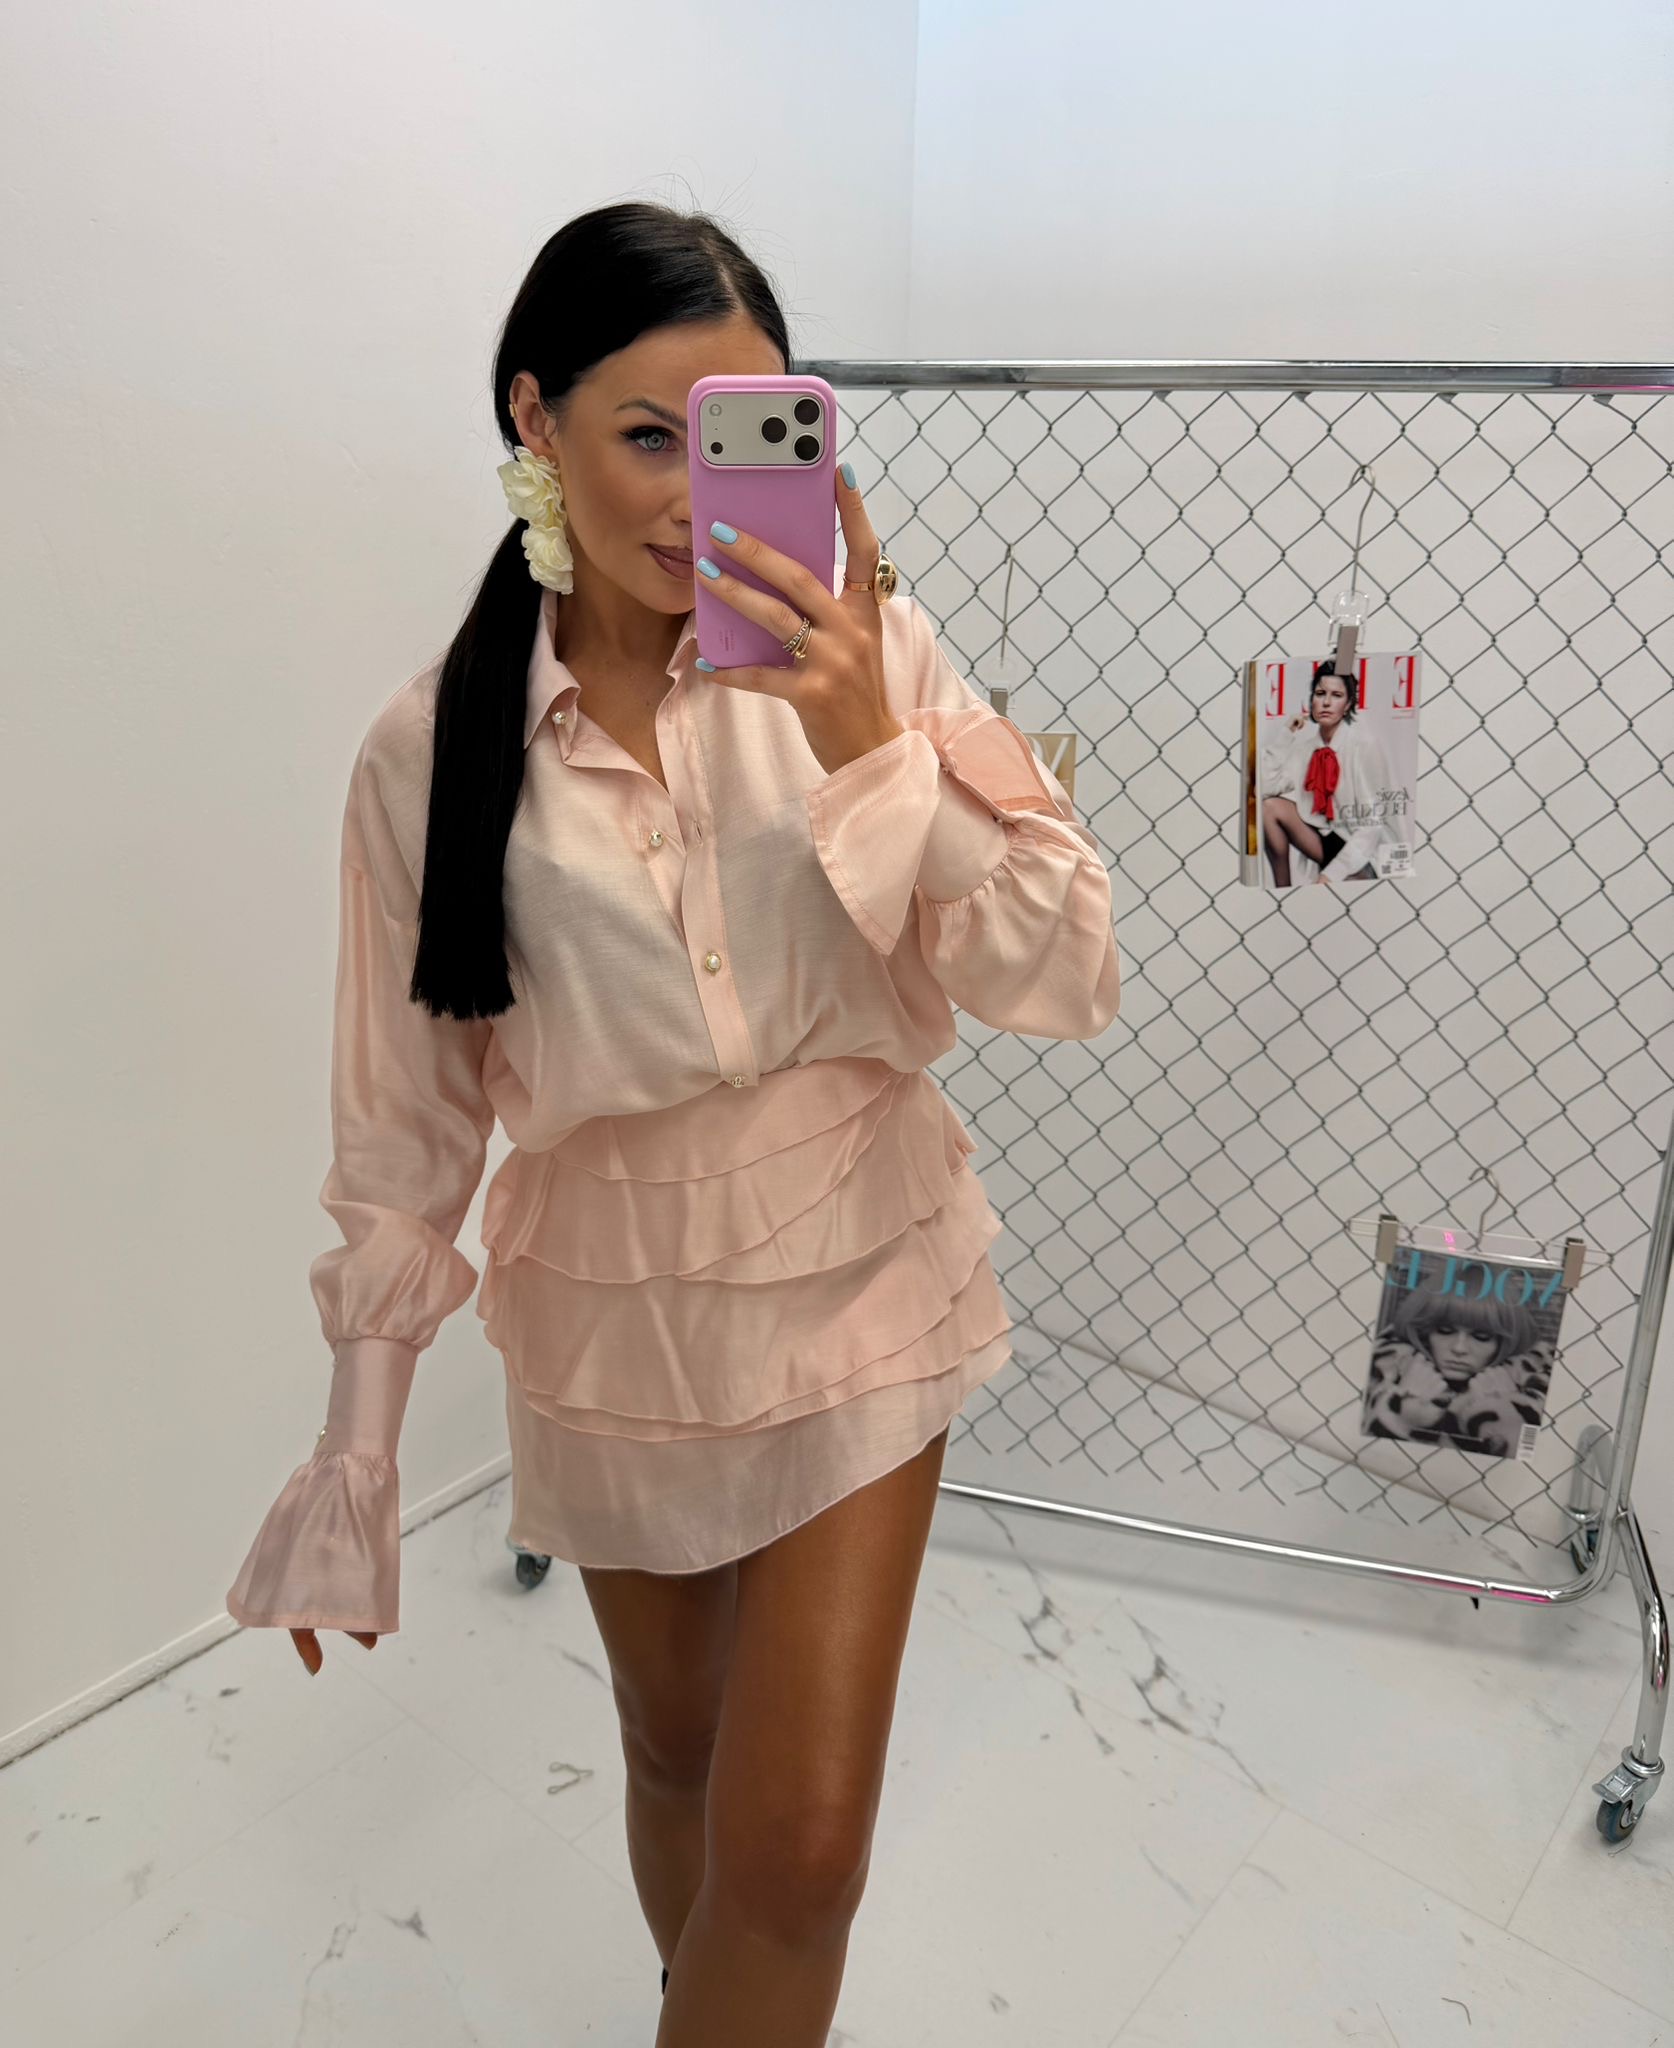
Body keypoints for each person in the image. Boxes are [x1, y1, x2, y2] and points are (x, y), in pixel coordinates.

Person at [223, 200, 1121, 2041]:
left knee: (795, 1851)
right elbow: (406, 1121)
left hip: (861, 1268)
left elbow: (1064, 965)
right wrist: (356, 1458)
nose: (696, 493)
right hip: (608, 1313)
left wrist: (872, 739)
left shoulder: (871, 656)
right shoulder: (430, 748)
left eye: (738, 435)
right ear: (530, 418)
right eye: (651, 433)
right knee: (674, 1750)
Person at [1361, 1283, 1554, 1459]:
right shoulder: (1379, 1370)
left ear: (1503, 1343)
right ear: (1425, 1333)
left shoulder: (1542, 1389)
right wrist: (1403, 1409)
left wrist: (1506, 1409)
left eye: (1481, 1336)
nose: (1459, 1348)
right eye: (1445, 1330)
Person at [1260, 661, 1398, 886]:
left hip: (1362, 850)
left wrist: (1331, 874)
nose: (1326, 702)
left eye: (1336, 695)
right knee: (1268, 808)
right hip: (1326, 839)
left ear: (1348, 704)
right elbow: (1264, 788)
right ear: (1312, 700)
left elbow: (1372, 826)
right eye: (1320, 693)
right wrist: (1286, 733)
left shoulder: (1364, 746)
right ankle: (1282, 891)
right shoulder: (1305, 751)